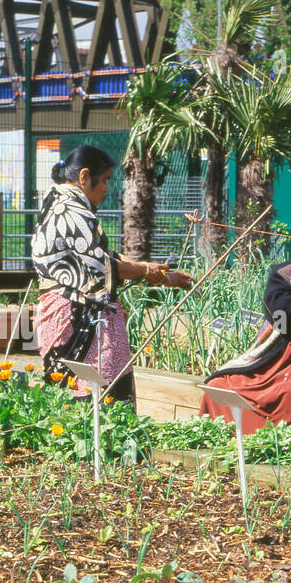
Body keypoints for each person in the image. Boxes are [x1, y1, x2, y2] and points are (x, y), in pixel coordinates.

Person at [31, 145, 193, 408]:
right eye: (104, 180)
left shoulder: (62, 204)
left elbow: (103, 256)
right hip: (76, 318)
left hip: (73, 314)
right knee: (94, 397)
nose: (107, 189)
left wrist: (150, 269)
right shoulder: (69, 211)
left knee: (74, 396)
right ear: (84, 176)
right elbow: (103, 266)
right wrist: (149, 272)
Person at [198, 225, 291, 433]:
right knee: (219, 385)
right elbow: (280, 316)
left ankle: (278, 444)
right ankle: (223, 438)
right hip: (281, 352)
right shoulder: (287, 274)